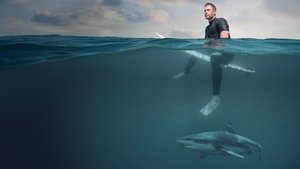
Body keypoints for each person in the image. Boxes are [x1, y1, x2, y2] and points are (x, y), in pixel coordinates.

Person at [175, 2, 233, 116]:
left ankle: (215, 97)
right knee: (196, 52)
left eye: (208, 10)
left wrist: (212, 46)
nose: (205, 12)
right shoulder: (207, 28)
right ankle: (186, 70)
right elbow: (204, 44)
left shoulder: (221, 21)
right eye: (204, 11)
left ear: (214, 12)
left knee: (214, 59)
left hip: (228, 54)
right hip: (215, 52)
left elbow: (224, 38)